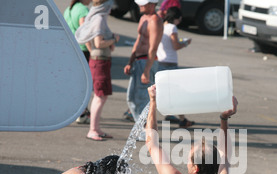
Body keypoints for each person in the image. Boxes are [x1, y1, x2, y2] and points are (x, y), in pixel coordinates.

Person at [76, 0, 120, 141]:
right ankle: (93, 130)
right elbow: (98, 43)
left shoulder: (95, 17)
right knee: (100, 96)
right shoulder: (99, 19)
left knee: (101, 95)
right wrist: (113, 39)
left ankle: (96, 128)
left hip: (99, 61)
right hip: (100, 61)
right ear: (105, 6)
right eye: (110, 6)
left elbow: (90, 41)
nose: (111, 9)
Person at [124, 0, 163, 136]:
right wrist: (131, 61)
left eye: (143, 3)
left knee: (141, 99)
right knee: (131, 98)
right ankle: (143, 130)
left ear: (152, 4)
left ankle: (147, 133)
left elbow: (153, 48)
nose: (139, 5)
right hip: (139, 61)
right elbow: (138, 40)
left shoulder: (155, 21)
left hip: (147, 62)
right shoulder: (143, 18)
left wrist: (146, 71)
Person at [157, 6, 194, 129]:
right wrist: (185, 43)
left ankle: (170, 114)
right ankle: (182, 119)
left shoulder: (161, 25)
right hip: (170, 63)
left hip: (160, 61)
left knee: (161, 91)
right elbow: (175, 46)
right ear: (176, 18)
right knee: (175, 93)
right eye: (180, 19)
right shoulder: (172, 27)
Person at [63, 0, 92, 124]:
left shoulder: (69, 9)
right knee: (83, 84)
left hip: (71, 49)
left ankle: (75, 110)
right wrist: (93, 51)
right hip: (83, 51)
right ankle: (82, 112)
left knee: (74, 82)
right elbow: (84, 33)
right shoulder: (83, 10)